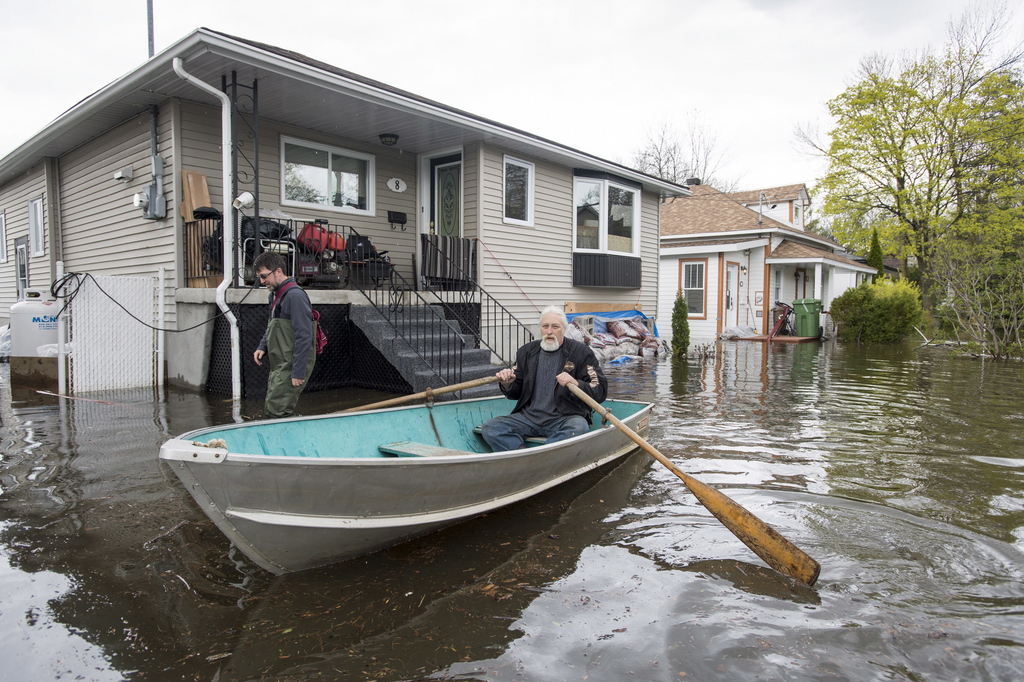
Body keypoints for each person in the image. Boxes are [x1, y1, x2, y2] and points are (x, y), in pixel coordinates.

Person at [481, 306, 607, 451]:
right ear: (540, 328)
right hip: (528, 418)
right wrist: (507, 384)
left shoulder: (581, 352)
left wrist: (576, 384)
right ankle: (525, 454)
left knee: (578, 427)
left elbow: (600, 390)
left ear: (564, 329)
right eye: (545, 326)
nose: (549, 331)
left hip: (565, 418)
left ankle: (542, 455)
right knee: (491, 427)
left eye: (555, 326)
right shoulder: (526, 352)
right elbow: (515, 393)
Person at [252, 252, 315, 418]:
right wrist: (262, 346)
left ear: (278, 271)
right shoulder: (274, 295)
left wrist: (298, 372)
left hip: (292, 363)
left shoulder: (295, 296)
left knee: (276, 409)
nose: (262, 281)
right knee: (275, 405)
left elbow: (304, 336)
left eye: (264, 276)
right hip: (280, 361)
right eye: (259, 277)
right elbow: (272, 325)